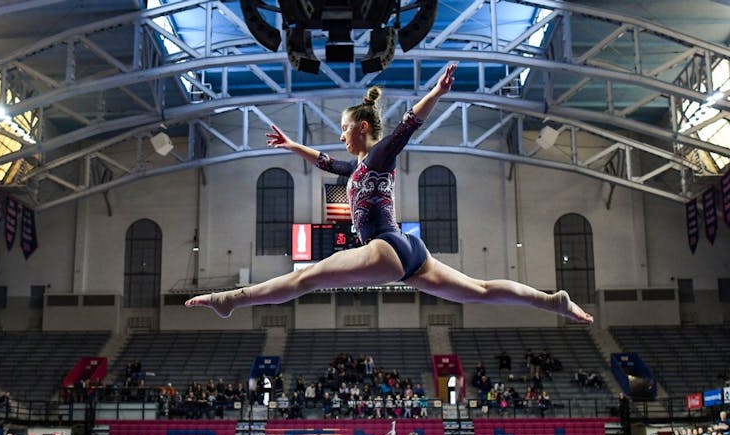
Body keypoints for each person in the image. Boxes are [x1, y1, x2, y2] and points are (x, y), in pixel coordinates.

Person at [185, 63, 592, 325]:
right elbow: (325, 162)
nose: (341, 136)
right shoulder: (359, 168)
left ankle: (231, 299)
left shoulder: (378, 155)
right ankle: (550, 301)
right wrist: (293, 146)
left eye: (345, 129)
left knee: (305, 277)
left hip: (386, 247)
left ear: (361, 128)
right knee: (479, 291)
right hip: (410, 251)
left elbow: (407, 126)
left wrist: (435, 94)